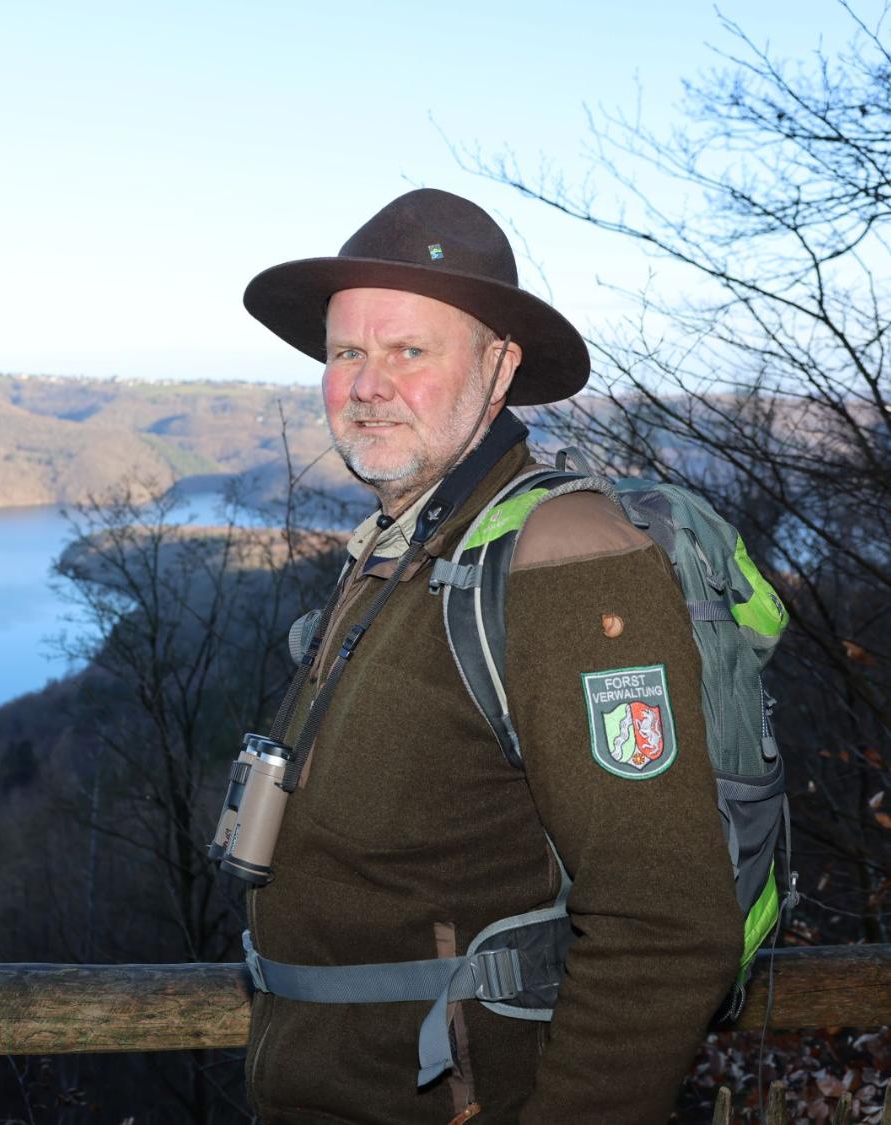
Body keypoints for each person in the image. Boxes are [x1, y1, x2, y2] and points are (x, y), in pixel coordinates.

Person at [236, 188, 742, 1123]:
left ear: (499, 366)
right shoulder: (405, 549)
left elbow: (666, 926)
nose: (367, 385)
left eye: (409, 351)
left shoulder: (565, 560)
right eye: (347, 353)